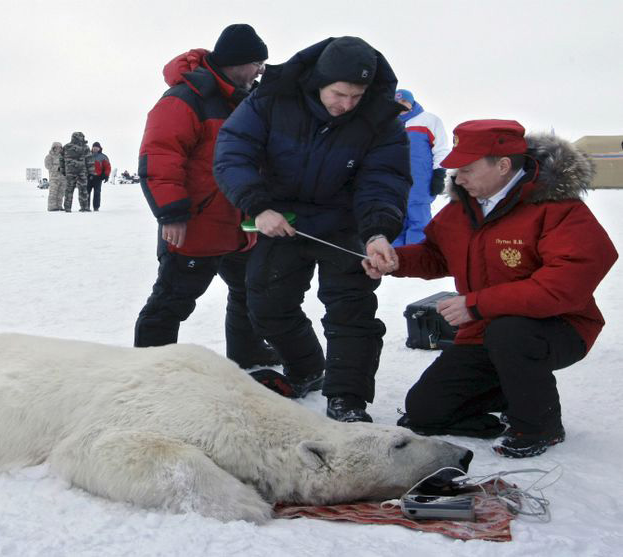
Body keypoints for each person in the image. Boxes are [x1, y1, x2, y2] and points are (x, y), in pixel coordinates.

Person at [362, 119, 617, 457]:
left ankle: (539, 426)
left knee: (510, 333)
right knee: (425, 410)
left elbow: (564, 284)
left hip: (559, 328)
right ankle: (512, 393)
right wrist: (397, 261)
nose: (458, 177)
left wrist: (477, 304)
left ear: (503, 165)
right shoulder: (462, 209)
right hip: (485, 329)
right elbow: (436, 254)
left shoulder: (558, 208)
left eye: (466, 168)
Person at [213, 36, 412, 422]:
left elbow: (384, 180)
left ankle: (348, 399)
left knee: (351, 312)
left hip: (346, 221)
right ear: (319, 81)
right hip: (283, 218)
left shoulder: (379, 118)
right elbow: (233, 150)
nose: (347, 105)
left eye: (357, 95)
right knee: (266, 302)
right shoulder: (272, 98)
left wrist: (377, 232)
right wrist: (259, 205)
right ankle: (306, 368)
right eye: (340, 93)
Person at [134, 23, 280, 370]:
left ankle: (247, 352)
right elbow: (159, 158)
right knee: (171, 302)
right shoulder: (184, 99)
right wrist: (171, 214)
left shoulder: (248, 101)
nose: (262, 69)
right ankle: (148, 369)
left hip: (241, 226)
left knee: (249, 294)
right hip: (195, 226)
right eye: (258, 62)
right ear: (238, 61)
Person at [392, 88, 450, 246]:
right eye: (396, 103)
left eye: (404, 101)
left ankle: (418, 259)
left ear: (411, 102)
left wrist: (439, 174)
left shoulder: (428, 120)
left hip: (420, 182)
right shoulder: (386, 124)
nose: (401, 106)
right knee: (394, 219)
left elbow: (441, 149)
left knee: (419, 220)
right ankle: (394, 262)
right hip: (393, 182)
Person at [62, 131, 90, 212]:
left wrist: (63, 170)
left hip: (70, 172)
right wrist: (91, 172)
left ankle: (67, 208)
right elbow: (89, 160)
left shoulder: (66, 147)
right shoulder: (85, 147)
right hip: (82, 172)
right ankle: (84, 207)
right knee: (83, 190)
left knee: (69, 190)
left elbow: (61, 160)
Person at [88, 142, 112, 211]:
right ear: (92, 148)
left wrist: (106, 175)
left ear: (99, 148)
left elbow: (108, 167)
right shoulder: (87, 156)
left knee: (97, 193)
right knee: (86, 193)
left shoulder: (103, 157)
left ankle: (96, 207)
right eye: (94, 147)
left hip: (98, 178)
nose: (95, 148)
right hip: (88, 177)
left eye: (97, 147)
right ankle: (86, 207)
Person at [44, 142, 66, 210]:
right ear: (53, 148)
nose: (58, 149)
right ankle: (52, 207)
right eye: (56, 147)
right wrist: (57, 168)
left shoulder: (63, 156)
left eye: (60, 147)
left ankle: (59, 206)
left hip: (63, 178)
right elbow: (48, 166)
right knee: (53, 193)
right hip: (54, 178)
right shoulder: (49, 156)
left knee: (61, 193)